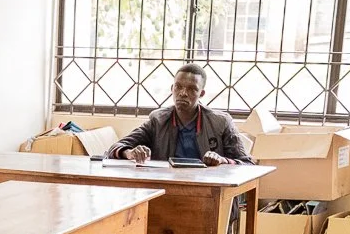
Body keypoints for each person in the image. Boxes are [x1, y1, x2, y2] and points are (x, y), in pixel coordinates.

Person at [106, 63, 253, 167]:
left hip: (209, 193)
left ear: (201, 94)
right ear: (172, 88)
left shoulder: (221, 122)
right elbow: (114, 148)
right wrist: (130, 153)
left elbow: (247, 164)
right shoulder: (158, 120)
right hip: (168, 191)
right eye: (178, 87)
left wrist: (222, 160)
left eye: (191, 89)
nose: (183, 93)